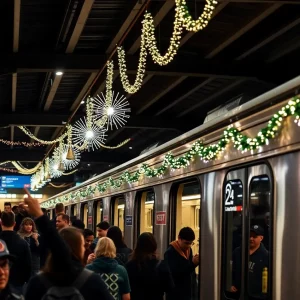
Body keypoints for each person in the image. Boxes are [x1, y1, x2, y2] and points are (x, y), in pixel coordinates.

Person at [23, 189, 114, 300]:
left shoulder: (37, 283)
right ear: (75, 248)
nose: (85, 248)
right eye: (82, 245)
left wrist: (39, 215)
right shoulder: (92, 281)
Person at [126, 232, 174, 300]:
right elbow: (169, 288)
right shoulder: (161, 265)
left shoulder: (130, 266)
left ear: (138, 246)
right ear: (154, 246)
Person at [231, 225, 269, 299]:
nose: (251, 238)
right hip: (236, 295)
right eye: (249, 236)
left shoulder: (266, 256)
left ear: (261, 238)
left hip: (257, 297)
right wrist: (231, 284)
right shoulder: (237, 251)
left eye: (254, 236)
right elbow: (230, 270)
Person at [0, 212, 31, 293]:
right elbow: (28, 265)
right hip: (17, 284)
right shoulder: (23, 242)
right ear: (14, 224)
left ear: (1, 222)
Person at [164, 227, 199, 300]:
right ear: (179, 238)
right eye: (186, 243)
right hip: (176, 294)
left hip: (188, 293)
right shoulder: (170, 252)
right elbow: (175, 274)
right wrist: (193, 264)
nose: (188, 246)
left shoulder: (189, 250)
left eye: (191, 243)